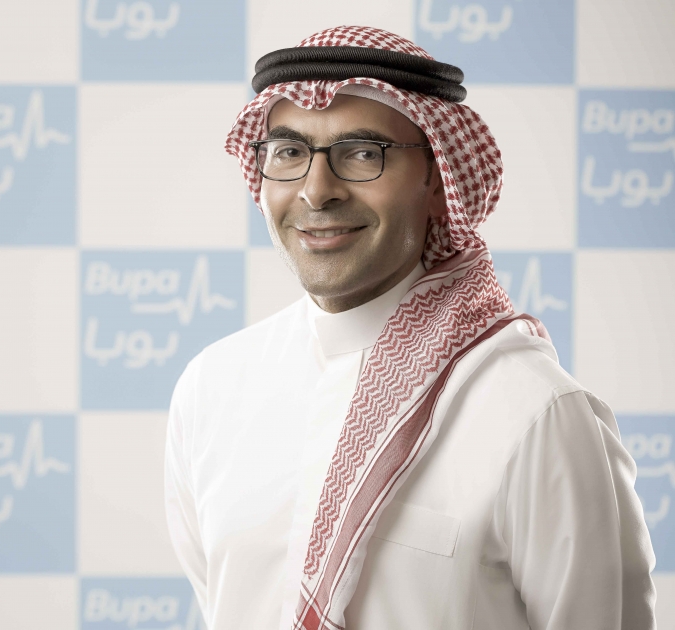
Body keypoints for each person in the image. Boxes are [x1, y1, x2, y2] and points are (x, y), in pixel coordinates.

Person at [164, 25, 657, 630]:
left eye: (362, 153)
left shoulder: (533, 410)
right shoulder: (213, 386)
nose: (316, 191)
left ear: (439, 181)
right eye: (289, 153)